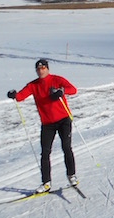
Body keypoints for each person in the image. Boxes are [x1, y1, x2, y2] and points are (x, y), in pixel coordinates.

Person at [7, 59, 78, 193]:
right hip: (47, 124)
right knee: (45, 153)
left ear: (47, 69)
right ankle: (46, 183)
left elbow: (73, 89)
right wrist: (14, 95)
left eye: (43, 68)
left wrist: (61, 91)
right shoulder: (33, 85)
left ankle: (71, 175)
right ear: (36, 71)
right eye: (38, 69)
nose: (41, 71)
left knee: (66, 147)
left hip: (64, 120)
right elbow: (21, 96)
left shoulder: (57, 79)